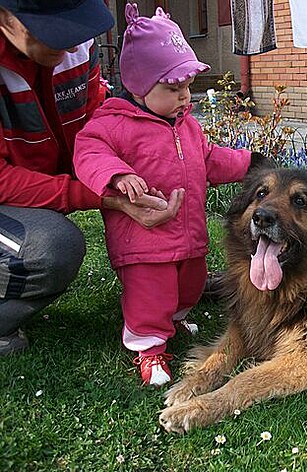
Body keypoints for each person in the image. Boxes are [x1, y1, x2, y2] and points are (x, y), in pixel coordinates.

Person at [73, 3, 261, 387]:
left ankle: (175, 321)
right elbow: (88, 152)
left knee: (188, 285)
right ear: (141, 87)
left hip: (188, 235)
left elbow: (209, 159)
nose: (184, 97)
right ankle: (150, 348)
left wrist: (248, 163)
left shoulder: (185, 125)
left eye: (187, 87)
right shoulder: (114, 123)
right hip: (144, 242)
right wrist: (117, 174)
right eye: (173, 89)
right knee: (151, 295)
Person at [0, 0, 183, 357]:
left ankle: (173, 279)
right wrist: (98, 195)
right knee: (51, 247)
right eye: (57, 32)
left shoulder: (78, 48)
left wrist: (120, 175)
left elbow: (96, 128)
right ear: (6, 17)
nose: (72, 44)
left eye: (79, 25)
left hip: (32, 185)